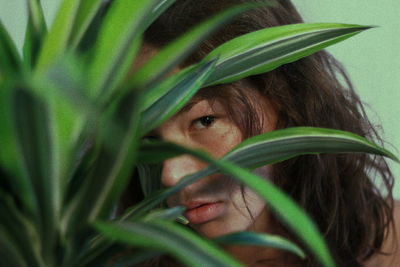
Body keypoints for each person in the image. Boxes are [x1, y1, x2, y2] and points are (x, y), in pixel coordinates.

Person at [121, 0, 398, 266]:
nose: (170, 176)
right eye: (150, 141)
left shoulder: (390, 245)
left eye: (205, 121)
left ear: (284, 95)